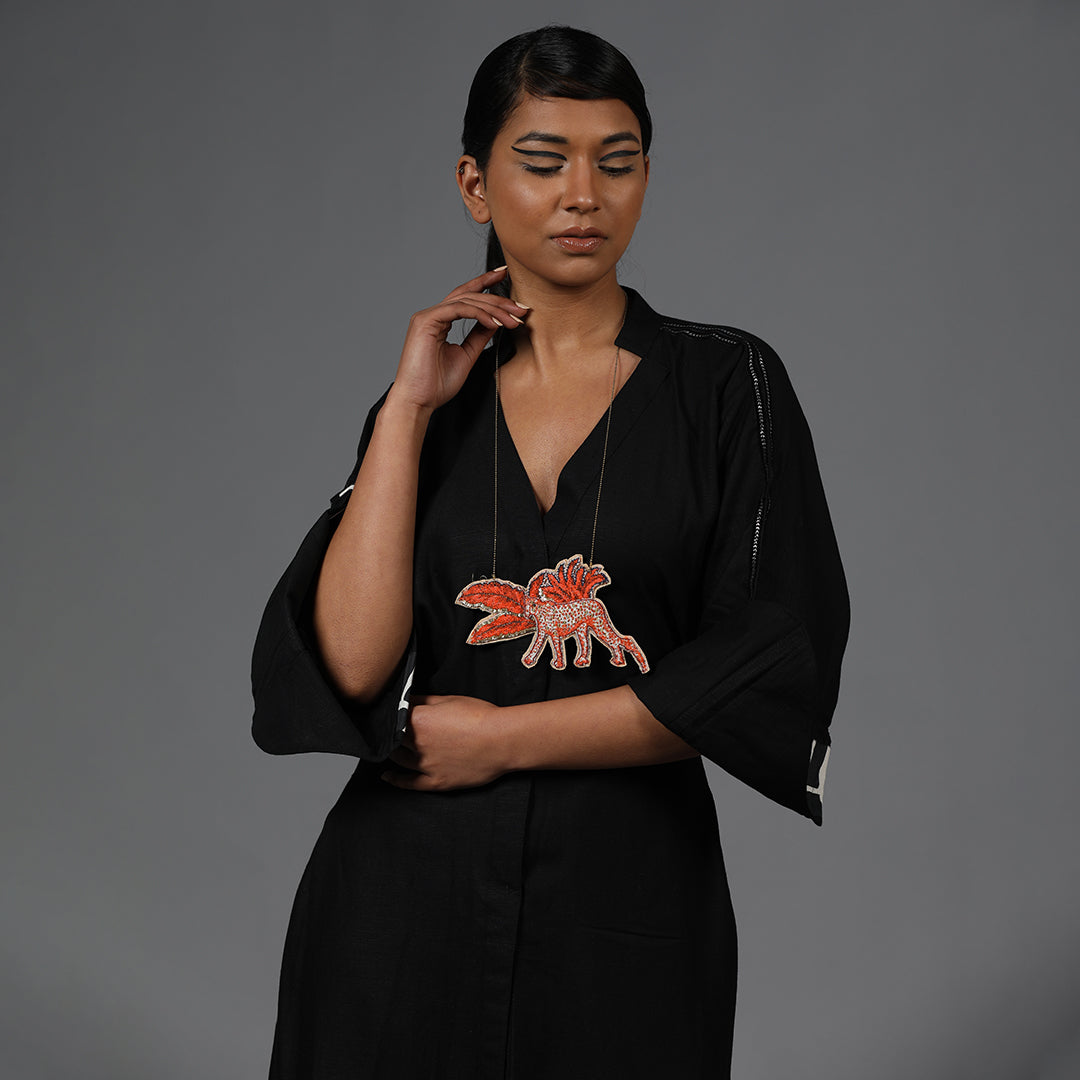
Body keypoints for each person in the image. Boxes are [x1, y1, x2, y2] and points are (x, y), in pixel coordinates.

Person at [251, 24, 849, 1080]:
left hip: (625, 905)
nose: (584, 195)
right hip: (397, 908)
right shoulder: (423, 408)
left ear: (647, 177)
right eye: (544, 162)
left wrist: (504, 741)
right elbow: (351, 666)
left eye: (617, 163)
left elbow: (766, 659)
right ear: (474, 185)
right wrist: (406, 411)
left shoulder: (725, 386)